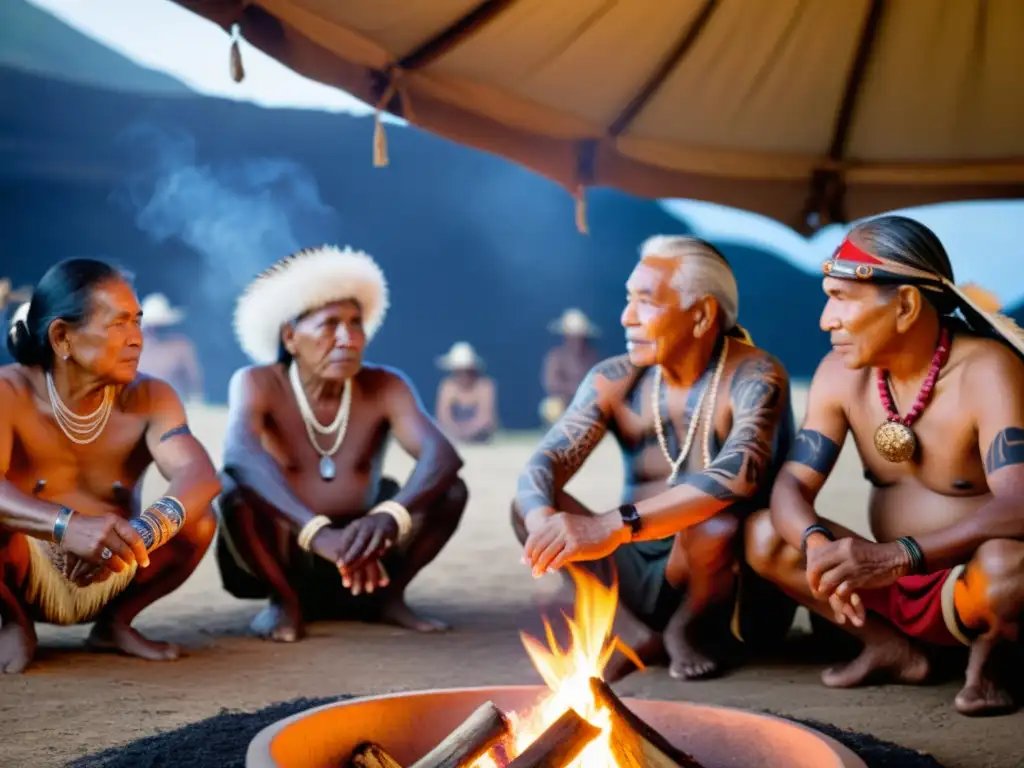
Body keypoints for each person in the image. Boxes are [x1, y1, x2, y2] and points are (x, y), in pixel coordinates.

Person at [746, 214, 1024, 717]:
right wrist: (817, 547)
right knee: (766, 534)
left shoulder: (987, 370)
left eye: (842, 298)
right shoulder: (840, 375)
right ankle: (890, 648)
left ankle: (994, 661)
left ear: (905, 305)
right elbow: (791, 485)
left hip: (971, 590)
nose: (825, 319)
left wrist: (896, 556)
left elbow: (1020, 504)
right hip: (881, 585)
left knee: (1011, 569)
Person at [513, 236, 797, 681]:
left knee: (714, 522)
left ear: (701, 315)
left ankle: (690, 629)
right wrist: (541, 524)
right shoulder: (615, 378)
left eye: (646, 302)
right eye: (629, 300)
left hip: (725, 584)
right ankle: (633, 627)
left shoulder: (755, 373)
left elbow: (737, 474)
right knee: (529, 502)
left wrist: (610, 525)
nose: (627, 317)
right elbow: (544, 463)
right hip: (632, 561)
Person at [216, 245, 468, 642]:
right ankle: (284, 602)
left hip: (370, 547)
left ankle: (389, 598)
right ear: (290, 336)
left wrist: (389, 516)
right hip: (289, 547)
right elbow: (239, 455)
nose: (347, 339)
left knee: (450, 491)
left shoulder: (385, 385)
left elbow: (442, 455)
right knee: (234, 492)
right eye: (330, 323)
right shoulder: (258, 382)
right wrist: (318, 534)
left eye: (355, 323)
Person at [0, 258, 220, 673]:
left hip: (116, 567)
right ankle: (14, 622)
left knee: (199, 520)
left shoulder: (151, 397)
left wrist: (145, 530)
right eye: (119, 324)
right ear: (62, 337)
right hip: (22, 573)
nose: (136, 339)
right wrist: (67, 525)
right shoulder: (8, 391)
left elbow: (200, 474)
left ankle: (116, 623)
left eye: (137, 322)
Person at [137, 293, 203, 403]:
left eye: (158, 325)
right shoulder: (133, 350)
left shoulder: (181, 347)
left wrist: (196, 406)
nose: (154, 330)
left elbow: (194, 384)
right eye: (151, 326)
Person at [540, 308, 600, 425]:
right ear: (565, 336)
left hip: (587, 403)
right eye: (572, 336)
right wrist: (574, 391)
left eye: (579, 336)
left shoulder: (592, 357)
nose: (576, 340)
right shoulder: (556, 356)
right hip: (564, 402)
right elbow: (551, 384)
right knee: (551, 407)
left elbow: (599, 382)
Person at [434, 341, 497, 444]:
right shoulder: (448, 387)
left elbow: (486, 418)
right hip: (452, 435)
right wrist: (456, 431)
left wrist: (467, 432)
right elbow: (443, 416)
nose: (463, 375)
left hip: (479, 436)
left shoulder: (484, 386)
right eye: (458, 371)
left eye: (466, 370)